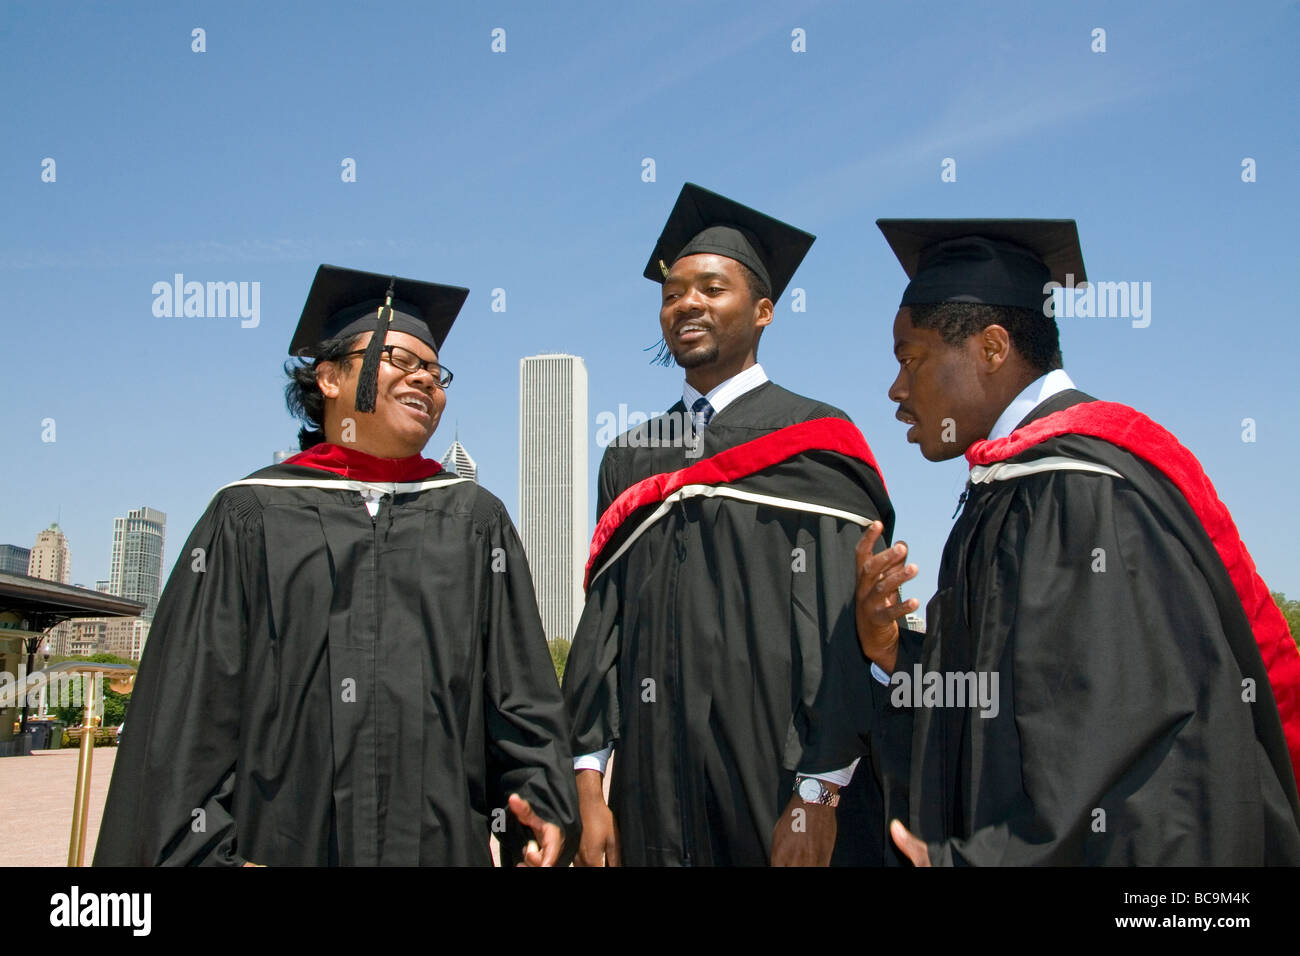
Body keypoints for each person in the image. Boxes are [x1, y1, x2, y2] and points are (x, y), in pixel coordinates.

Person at [95, 265, 579, 866]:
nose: (425, 378)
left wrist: (540, 800)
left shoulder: (475, 521)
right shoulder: (249, 515)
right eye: (401, 360)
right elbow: (189, 719)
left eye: (435, 370)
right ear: (328, 377)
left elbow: (520, 696)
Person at [856, 218, 1300, 864]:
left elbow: (1123, 765)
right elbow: (1003, 709)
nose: (896, 390)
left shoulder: (1081, 494)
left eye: (910, 357)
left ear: (992, 347)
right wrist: (893, 654)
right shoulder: (1013, 488)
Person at [563, 184, 895, 866]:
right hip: (654, 784)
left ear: (765, 310)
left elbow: (843, 639)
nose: (687, 304)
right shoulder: (633, 457)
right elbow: (605, 629)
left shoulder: (817, 440)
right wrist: (589, 785)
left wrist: (819, 794)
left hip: (781, 777)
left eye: (711, 288)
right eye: (673, 293)